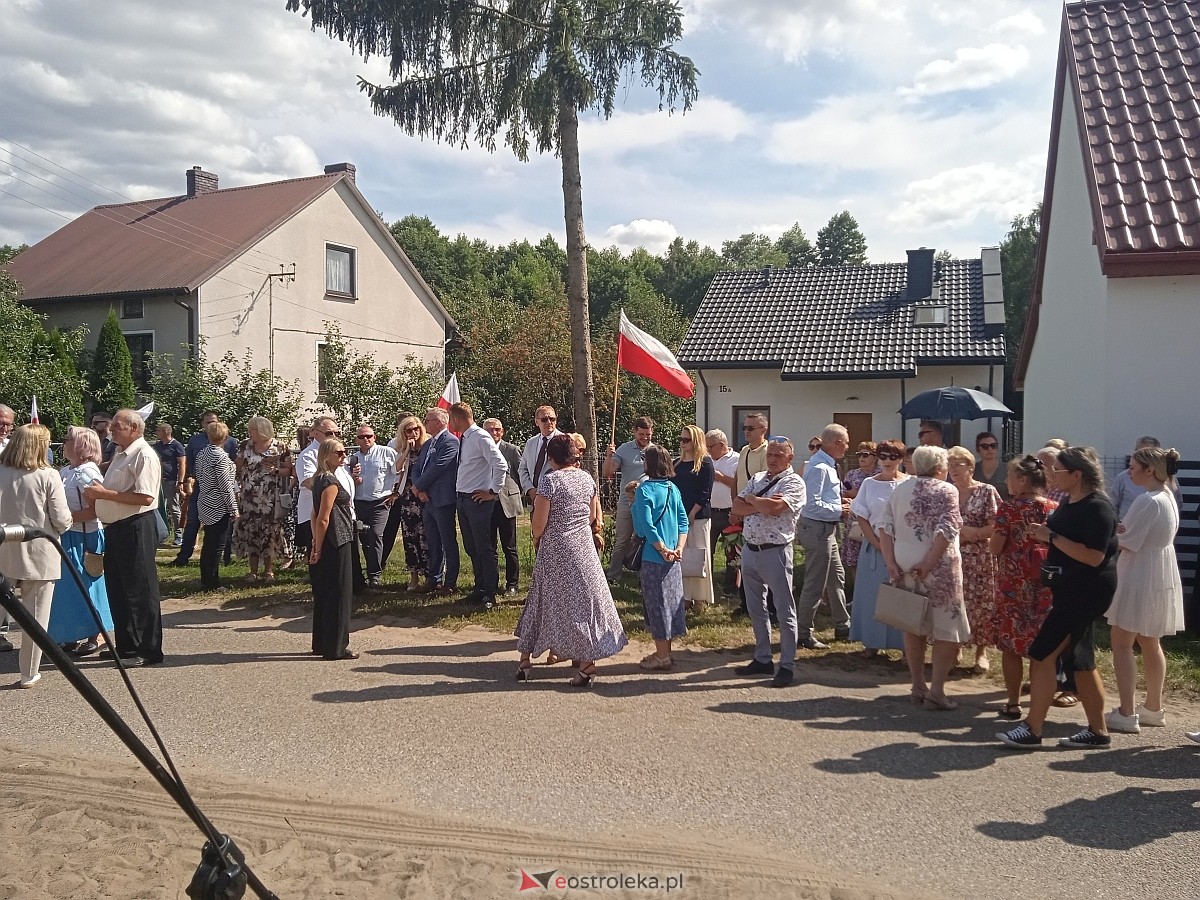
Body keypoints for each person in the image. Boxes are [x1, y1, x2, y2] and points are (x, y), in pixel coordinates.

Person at [997, 446, 1119, 750]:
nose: (1052, 474)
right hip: (1068, 589)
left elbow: (1093, 556)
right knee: (1081, 662)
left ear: (1077, 475)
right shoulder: (1073, 501)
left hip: (1084, 592)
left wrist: (1051, 537)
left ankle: (1032, 728)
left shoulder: (1097, 507)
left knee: (1042, 655)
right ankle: (1098, 731)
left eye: (1059, 470)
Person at [515, 434, 626, 686]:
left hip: (557, 548)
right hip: (583, 547)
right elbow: (591, 515)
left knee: (545, 599)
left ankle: (527, 659)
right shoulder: (586, 478)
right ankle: (585, 661)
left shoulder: (549, 481)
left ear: (551, 457)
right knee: (585, 602)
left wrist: (536, 537)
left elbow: (539, 523)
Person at [878, 445, 969, 710]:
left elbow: (884, 527)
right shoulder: (947, 490)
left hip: (905, 561)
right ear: (941, 468)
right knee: (948, 627)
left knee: (912, 622)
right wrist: (929, 562)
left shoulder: (901, 488)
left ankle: (917, 685)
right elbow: (948, 528)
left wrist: (891, 563)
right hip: (938, 564)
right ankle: (937, 691)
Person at [1104, 446, 1185, 734]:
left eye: (1134, 466)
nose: (1129, 471)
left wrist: (1116, 532)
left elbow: (1127, 539)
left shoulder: (1147, 500)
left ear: (1149, 469)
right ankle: (1153, 707)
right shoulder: (1168, 497)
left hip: (1139, 572)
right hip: (1159, 570)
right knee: (1150, 640)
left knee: (1122, 640)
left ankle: (1126, 712)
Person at [84, 409, 164, 667]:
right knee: (118, 588)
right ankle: (127, 645)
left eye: (117, 425)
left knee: (140, 588)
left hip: (136, 526)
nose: (112, 429)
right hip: (116, 528)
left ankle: (148, 649)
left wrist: (104, 494)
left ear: (134, 428)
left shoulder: (143, 455)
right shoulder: (120, 453)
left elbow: (145, 497)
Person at [0, 424, 73, 687]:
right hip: (39, 549)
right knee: (36, 617)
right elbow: (62, 518)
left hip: (3, 548)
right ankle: (28, 673)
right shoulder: (48, 475)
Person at [986, 456, 1058, 721]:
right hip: (1044, 585)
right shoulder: (1054, 507)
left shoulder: (1009, 509)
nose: (1007, 481)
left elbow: (995, 546)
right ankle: (1038, 708)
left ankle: (1013, 703)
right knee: (1040, 648)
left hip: (1013, 585)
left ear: (1023, 479)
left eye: (1010, 476)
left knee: (1010, 645)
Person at [732, 438, 806, 686]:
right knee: (755, 609)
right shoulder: (758, 478)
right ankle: (763, 658)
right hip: (751, 550)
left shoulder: (794, 482)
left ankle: (787, 664)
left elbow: (776, 510)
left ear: (789, 457)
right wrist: (760, 503)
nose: (773, 459)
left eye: (779, 455)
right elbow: (736, 507)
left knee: (784, 610)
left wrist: (754, 501)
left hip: (776, 552)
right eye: (771, 454)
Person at [47, 427, 114, 657]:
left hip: (85, 536)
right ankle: (71, 634)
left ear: (82, 446)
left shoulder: (87, 473)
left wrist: (64, 519)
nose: (64, 443)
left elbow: (95, 510)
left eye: (69, 440)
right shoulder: (65, 471)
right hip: (67, 534)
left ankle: (94, 635)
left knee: (88, 584)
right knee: (69, 588)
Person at [847, 439, 909, 658]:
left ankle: (905, 647)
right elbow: (861, 514)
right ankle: (871, 643)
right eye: (883, 456)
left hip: (902, 547)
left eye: (893, 457)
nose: (888, 461)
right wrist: (875, 542)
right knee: (871, 594)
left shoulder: (909, 483)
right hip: (873, 547)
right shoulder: (869, 484)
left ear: (901, 459)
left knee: (902, 595)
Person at [632, 444, 689, 671]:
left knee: (656, 605)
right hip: (674, 558)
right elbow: (683, 521)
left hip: (653, 555)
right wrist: (678, 548)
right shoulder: (673, 489)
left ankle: (662, 656)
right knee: (671, 603)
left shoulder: (643, 490)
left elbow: (645, 526)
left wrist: (661, 548)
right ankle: (665, 651)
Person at [795, 424, 852, 649]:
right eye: (846, 443)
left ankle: (842, 626)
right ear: (837, 443)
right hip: (818, 529)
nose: (848, 447)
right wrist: (840, 510)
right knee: (815, 583)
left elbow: (822, 500)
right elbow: (811, 504)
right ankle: (803, 633)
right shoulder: (820, 467)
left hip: (826, 529)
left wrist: (839, 504)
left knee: (836, 577)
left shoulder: (826, 464)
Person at [947, 445, 1000, 674]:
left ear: (970, 466)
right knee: (956, 603)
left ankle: (981, 652)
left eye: (957, 464)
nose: (952, 470)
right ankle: (956, 647)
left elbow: (997, 525)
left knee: (982, 604)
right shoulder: (947, 491)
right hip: (952, 556)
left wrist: (972, 533)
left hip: (980, 557)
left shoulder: (986, 491)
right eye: (949, 465)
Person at [449, 403, 507, 609]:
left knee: (484, 548)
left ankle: (490, 593)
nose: (450, 423)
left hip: (477, 500)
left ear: (457, 419)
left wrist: (492, 491)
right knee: (471, 547)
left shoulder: (481, 437)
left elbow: (500, 464)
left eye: (450, 418)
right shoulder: (466, 438)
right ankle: (479, 587)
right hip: (463, 498)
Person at [308, 438, 358, 660]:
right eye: (339, 452)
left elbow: (314, 514)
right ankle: (336, 647)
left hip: (328, 539)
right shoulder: (329, 481)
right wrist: (317, 546)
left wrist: (315, 542)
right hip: (337, 540)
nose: (344, 455)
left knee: (325, 593)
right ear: (327, 455)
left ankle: (321, 642)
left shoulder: (319, 479)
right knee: (339, 594)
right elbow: (322, 517)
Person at [172, 411, 238, 566]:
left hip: (219, 491)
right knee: (193, 522)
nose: (210, 425)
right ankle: (184, 557)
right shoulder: (196, 442)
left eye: (213, 422)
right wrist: (186, 480)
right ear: (202, 425)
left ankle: (225, 558)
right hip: (200, 488)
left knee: (222, 528)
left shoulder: (230, 442)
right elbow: (189, 463)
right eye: (207, 422)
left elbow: (234, 465)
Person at [233, 416, 292, 583]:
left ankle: (268, 571)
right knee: (251, 532)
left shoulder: (279, 446)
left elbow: (289, 470)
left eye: (252, 430)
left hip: (270, 497)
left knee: (270, 534)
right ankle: (252, 572)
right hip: (249, 497)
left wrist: (275, 470)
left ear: (261, 430)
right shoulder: (246, 445)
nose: (250, 433)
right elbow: (237, 467)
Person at [412, 407, 461, 595]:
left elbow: (439, 467)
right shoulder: (428, 444)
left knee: (447, 541)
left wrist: (419, 487)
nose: (425, 424)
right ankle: (434, 578)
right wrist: (419, 488)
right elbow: (417, 468)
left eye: (427, 420)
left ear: (439, 422)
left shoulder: (450, 442)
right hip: (427, 499)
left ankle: (450, 582)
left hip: (442, 499)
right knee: (432, 541)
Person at [602, 416, 655, 584]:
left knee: (647, 540)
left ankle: (644, 576)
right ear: (634, 432)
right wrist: (609, 456)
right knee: (622, 541)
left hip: (648, 505)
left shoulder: (656, 451)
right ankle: (613, 576)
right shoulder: (624, 449)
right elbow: (608, 472)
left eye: (648, 434)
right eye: (641, 434)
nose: (645, 438)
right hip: (626, 503)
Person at [349, 423, 399, 588]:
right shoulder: (352, 458)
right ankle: (370, 570)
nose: (365, 440)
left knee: (376, 535)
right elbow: (347, 483)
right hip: (360, 503)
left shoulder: (387, 452)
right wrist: (354, 480)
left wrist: (395, 493)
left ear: (374, 437)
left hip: (380, 502)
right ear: (356, 439)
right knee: (365, 539)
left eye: (368, 436)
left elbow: (400, 472)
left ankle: (374, 576)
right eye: (361, 437)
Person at [383, 415, 429, 591]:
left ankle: (430, 575)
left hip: (423, 495)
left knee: (425, 537)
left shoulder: (427, 447)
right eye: (409, 430)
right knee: (410, 536)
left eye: (417, 429)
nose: (414, 433)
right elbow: (396, 469)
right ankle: (413, 576)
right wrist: (407, 452)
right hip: (407, 498)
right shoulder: (400, 448)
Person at [672, 424, 715, 610]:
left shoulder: (705, 462)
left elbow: (705, 492)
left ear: (696, 441)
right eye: (681, 439)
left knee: (699, 554)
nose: (682, 443)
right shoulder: (676, 464)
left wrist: (692, 513)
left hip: (698, 516)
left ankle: (700, 598)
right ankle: (685, 596)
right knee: (683, 555)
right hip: (679, 516)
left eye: (686, 440)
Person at [194, 421, 239, 591]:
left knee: (209, 543)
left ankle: (206, 578)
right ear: (225, 437)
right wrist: (233, 508)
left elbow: (198, 475)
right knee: (217, 545)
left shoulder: (202, 453)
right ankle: (212, 582)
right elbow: (225, 485)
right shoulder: (220, 457)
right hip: (219, 504)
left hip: (204, 499)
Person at [484, 417, 523, 595]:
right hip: (486, 503)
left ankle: (512, 584)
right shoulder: (481, 449)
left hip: (506, 503)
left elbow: (520, 473)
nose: (494, 433)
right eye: (490, 430)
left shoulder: (512, 450)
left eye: (497, 429)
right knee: (489, 546)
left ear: (503, 431)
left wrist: (516, 493)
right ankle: (491, 582)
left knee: (510, 546)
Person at [1108, 435, 1181, 518]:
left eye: (1145, 453)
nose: (1138, 455)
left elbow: (1177, 504)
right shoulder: (1122, 478)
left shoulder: (1167, 483)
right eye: (1137, 451)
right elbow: (1112, 504)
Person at [705, 429, 740, 597]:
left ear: (721, 445)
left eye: (710, 447)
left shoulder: (737, 460)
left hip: (730, 513)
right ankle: (705, 586)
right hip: (709, 511)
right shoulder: (706, 460)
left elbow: (740, 484)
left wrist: (721, 478)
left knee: (732, 553)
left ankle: (730, 589)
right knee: (706, 550)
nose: (708, 450)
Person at [840, 441, 880, 573]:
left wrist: (857, 495)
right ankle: (856, 591)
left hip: (872, 523)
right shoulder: (852, 474)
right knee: (853, 561)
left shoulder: (881, 475)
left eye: (865, 454)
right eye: (859, 454)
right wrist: (846, 498)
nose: (861, 458)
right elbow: (842, 494)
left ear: (875, 457)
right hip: (853, 523)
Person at [518, 405, 563, 504]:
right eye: (544, 419)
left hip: (557, 498)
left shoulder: (564, 441)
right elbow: (522, 469)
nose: (549, 422)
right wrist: (530, 489)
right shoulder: (531, 443)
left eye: (552, 419)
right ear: (536, 422)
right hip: (534, 499)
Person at [153, 423, 186, 545]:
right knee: (156, 508)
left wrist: (180, 481)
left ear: (166, 432)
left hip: (171, 481)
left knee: (174, 508)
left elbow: (182, 464)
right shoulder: (157, 446)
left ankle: (179, 535)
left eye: (158, 430)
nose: (156, 433)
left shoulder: (176, 446)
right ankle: (160, 534)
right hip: (158, 481)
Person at [736, 413, 770, 494]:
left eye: (751, 428)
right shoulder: (744, 450)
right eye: (744, 428)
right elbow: (737, 479)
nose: (746, 431)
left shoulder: (768, 452)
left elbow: (766, 485)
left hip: (755, 504)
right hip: (740, 503)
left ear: (764, 430)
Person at [973, 431, 1009, 501]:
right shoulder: (972, 470)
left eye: (993, 446)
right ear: (978, 449)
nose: (990, 449)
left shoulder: (1008, 470)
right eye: (985, 446)